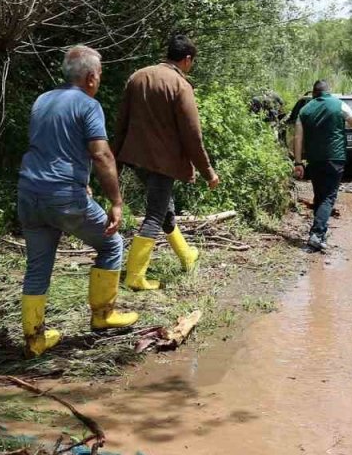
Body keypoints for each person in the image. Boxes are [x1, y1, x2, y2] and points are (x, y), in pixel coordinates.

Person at [17, 45, 136, 358]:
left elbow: (52, 146)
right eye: (99, 75)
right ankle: (103, 316)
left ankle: (35, 339)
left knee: (38, 264)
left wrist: (81, 183)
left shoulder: (42, 100)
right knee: (111, 244)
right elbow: (101, 154)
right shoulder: (88, 104)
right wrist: (116, 201)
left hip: (29, 192)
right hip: (62, 197)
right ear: (91, 77)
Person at [113, 33, 220, 292]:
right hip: (162, 163)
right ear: (186, 59)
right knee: (154, 215)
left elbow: (121, 122)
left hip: (136, 159)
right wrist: (208, 172)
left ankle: (186, 255)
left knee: (164, 209)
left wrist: (114, 159)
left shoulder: (137, 77)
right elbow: (192, 135)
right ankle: (135, 277)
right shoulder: (180, 86)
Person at [292, 80, 352, 252]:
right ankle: (317, 235)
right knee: (328, 197)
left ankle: (318, 234)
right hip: (335, 158)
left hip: (314, 160)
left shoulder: (304, 110)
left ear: (313, 93)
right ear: (329, 92)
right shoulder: (338, 104)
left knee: (319, 196)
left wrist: (298, 163)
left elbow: (297, 138)